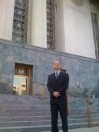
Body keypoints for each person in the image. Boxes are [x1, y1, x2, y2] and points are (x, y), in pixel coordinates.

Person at [47, 60, 69, 132]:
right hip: (53, 100)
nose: (56, 65)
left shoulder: (65, 75)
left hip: (62, 100)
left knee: (64, 117)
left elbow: (65, 86)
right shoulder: (50, 76)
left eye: (57, 64)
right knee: (54, 118)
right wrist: (53, 93)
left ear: (60, 65)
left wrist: (57, 93)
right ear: (53, 65)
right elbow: (48, 86)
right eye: (55, 64)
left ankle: (65, 130)